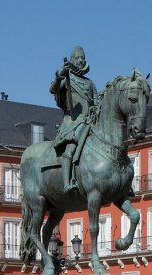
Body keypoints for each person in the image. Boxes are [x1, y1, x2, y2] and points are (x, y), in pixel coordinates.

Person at [49, 46, 96, 193]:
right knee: (70, 149)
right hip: (73, 122)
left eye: (83, 58)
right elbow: (53, 89)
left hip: (90, 121)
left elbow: (96, 101)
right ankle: (66, 183)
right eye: (78, 58)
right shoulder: (67, 78)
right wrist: (59, 75)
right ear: (72, 60)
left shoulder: (89, 83)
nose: (81, 60)